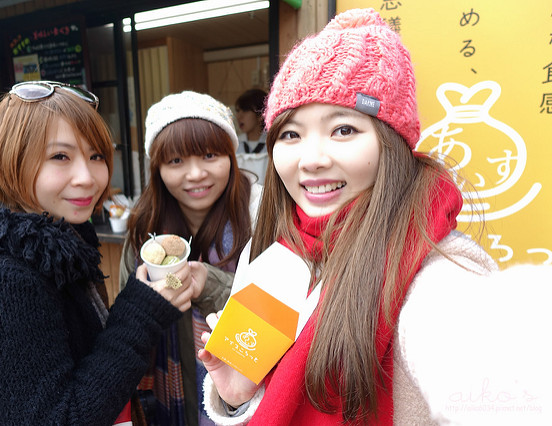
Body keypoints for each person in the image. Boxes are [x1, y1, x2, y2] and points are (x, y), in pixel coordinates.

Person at [197, 9, 552, 425]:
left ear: (391, 143)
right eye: (291, 134)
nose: (311, 160)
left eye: (343, 129)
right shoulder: (280, 253)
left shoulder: (432, 270)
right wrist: (239, 396)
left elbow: (491, 365)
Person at [0, 81, 194, 425]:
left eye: (96, 156)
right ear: (12, 159)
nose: (87, 177)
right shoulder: (2, 283)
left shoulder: (58, 245)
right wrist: (140, 314)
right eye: (60, 156)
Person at [119, 91, 262, 426]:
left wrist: (208, 283)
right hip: (165, 397)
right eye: (176, 161)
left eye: (210, 155)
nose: (195, 174)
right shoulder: (144, 227)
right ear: (158, 168)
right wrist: (145, 300)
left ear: (231, 155)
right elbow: (123, 322)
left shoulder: (260, 216)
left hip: (241, 399)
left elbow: (279, 319)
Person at [234, 88, 269, 185]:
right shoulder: (234, 144)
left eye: (245, 110)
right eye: (238, 111)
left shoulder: (272, 144)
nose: (239, 116)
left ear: (260, 115)